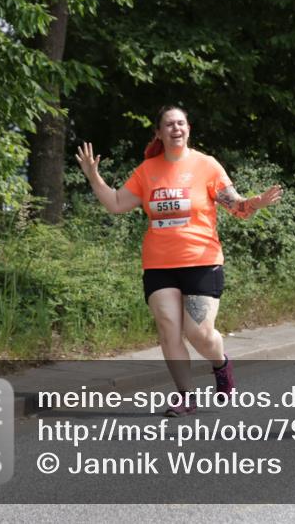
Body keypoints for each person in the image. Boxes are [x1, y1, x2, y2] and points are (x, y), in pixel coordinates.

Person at [76, 105, 282, 416]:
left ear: (188, 129)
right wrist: (94, 176)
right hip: (159, 265)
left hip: (202, 260)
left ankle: (220, 362)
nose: (176, 128)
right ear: (158, 132)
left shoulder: (206, 165)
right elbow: (117, 203)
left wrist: (256, 202)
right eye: (169, 124)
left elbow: (236, 207)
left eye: (181, 123)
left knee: (198, 333)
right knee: (168, 328)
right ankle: (186, 396)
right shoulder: (148, 171)